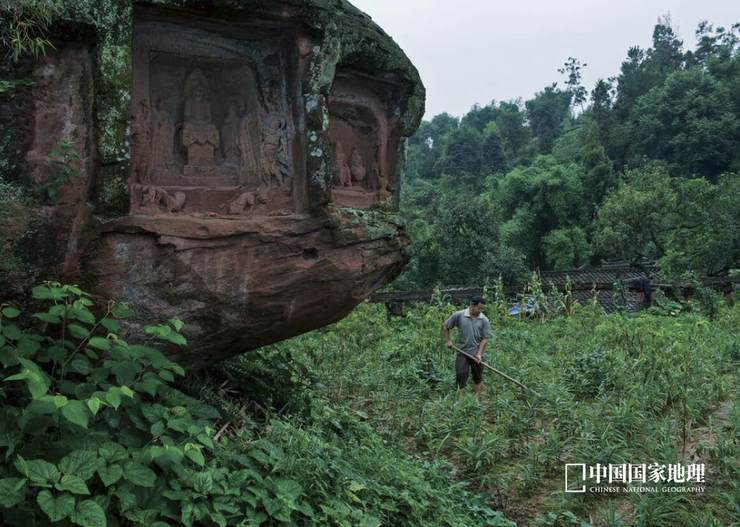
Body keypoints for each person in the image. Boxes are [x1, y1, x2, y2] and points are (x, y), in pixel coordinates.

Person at [442, 295, 493, 398]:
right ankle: (461, 399)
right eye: (479, 308)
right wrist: (448, 341)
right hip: (462, 351)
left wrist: (479, 353)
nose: (481, 310)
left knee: (477, 376)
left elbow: (485, 338)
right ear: (472, 305)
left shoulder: (484, 320)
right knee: (461, 375)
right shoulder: (459, 315)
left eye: (482, 308)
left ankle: (477, 397)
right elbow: (446, 326)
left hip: (476, 353)